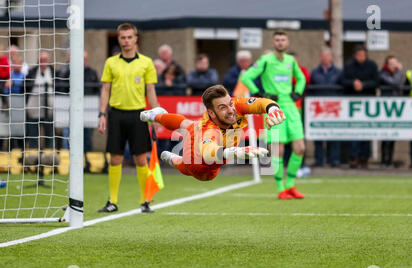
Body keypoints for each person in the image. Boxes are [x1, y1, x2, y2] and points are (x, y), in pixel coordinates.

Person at [140, 85, 285, 181]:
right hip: (200, 161)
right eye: (223, 107)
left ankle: (156, 115)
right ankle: (173, 159)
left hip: (213, 143)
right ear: (211, 113)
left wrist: (273, 109)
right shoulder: (208, 130)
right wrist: (235, 151)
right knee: (194, 169)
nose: (230, 110)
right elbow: (209, 152)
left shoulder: (236, 105)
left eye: (230, 103)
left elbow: (260, 103)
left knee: (189, 124)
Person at [97, 23, 159, 213]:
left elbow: (150, 90)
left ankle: (145, 201)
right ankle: (112, 201)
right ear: (119, 39)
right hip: (116, 114)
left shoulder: (146, 63)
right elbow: (105, 89)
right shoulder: (111, 62)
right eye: (123, 37)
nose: (126, 41)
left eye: (129, 37)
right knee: (115, 158)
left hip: (138, 115)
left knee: (140, 158)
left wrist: (156, 115)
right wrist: (102, 114)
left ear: (135, 39)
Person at [241, 29, 307, 200]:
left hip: (291, 107)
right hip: (273, 108)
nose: (280, 42)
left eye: (283, 39)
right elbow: (247, 77)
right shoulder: (265, 60)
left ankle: (290, 184)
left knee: (300, 148)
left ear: (287, 43)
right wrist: (260, 93)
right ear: (273, 42)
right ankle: (280, 188)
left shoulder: (291, 60)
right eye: (277, 39)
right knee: (278, 149)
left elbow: (302, 78)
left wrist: (298, 92)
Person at [342, 45, 379, 169]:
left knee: (366, 131)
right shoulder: (348, 66)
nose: (361, 57)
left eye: (363, 55)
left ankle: (365, 157)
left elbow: (376, 81)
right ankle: (354, 157)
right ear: (355, 55)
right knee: (354, 132)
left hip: (368, 104)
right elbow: (343, 80)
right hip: (352, 104)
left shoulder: (372, 65)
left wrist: (364, 85)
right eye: (359, 55)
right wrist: (353, 84)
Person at [309, 47, 343, 167]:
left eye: (327, 56)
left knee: (333, 134)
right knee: (318, 136)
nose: (325, 58)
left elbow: (342, 89)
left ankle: (333, 159)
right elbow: (311, 89)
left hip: (333, 109)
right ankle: (319, 160)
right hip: (319, 109)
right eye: (323, 56)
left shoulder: (339, 72)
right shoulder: (314, 72)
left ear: (331, 57)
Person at [24, 51, 55, 149]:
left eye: (45, 60)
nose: (43, 62)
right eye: (41, 60)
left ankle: (49, 159)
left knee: (49, 137)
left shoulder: (54, 72)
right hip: (34, 111)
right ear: (38, 61)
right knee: (33, 137)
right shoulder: (32, 72)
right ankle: (33, 159)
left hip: (49, 111)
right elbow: (24, 88)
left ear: (49, 61)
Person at [379, 55, 404, 167]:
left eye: (395, 63)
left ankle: (390, 159)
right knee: (385, 135)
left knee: (393, 135)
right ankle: (383, 159)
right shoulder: (382, 73)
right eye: (391, 63)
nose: (394, 66)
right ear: (387, 65)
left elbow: (398, 83)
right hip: (386, 108)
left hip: (396, 108)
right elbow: (395, 83)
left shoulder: (397, 73)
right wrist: (400, 71)